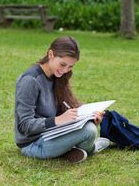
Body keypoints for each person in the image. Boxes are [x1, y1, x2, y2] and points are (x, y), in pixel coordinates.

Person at [15, 35, 110, 163]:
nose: (65, 70)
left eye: (70, 66)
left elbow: (65, 108)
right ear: (51, 54)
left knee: (89, 126)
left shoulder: (57, 75)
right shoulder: (30, 81)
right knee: (90, 131)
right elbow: (24, 125)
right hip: (33, 144)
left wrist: (88, 116)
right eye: (63, 64)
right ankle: (91, 148)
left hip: (52, 134)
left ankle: (68, 150)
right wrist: (57, 120)